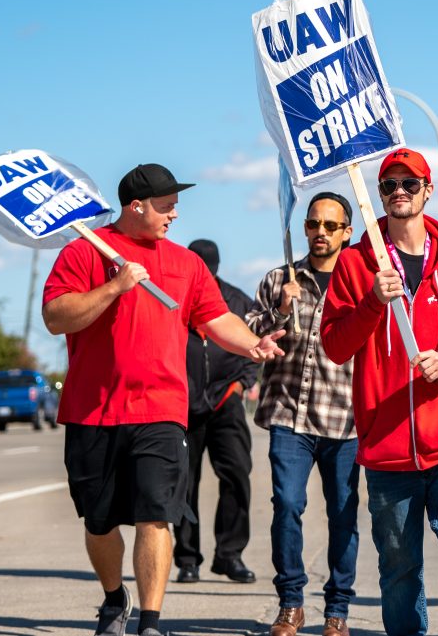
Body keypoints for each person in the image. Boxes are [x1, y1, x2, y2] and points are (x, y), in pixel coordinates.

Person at [42, 163, 285, 636]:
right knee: (99, 520)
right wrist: (115, 286)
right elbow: (56, 316)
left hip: (161, 412)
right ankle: (115, 597)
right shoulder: (84, 252)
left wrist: (251, 343)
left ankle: (150, 623)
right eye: (166, 205)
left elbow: (215, 318)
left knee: (157, 515)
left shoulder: (185, 263)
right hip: (94, 412)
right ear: (137, 206)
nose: (175, 213)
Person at [320, 148, 438, 636]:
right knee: (398, 568)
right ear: (378, 195)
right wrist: (370, 304)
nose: (399, 191)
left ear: (428, 190)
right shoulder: (357, 262)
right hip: (385, 448)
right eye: (389, 185)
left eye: (409, 183)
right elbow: (335, 347)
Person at [246, 192, 358, 636]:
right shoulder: (280, 279)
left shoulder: (361, 283)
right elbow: (248, 334)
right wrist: (281, 309)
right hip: (288, 416)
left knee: (343, 515)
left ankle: (338, 610)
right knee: (287, 505)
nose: (320, 233)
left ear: (347, 232)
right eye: (314, 224)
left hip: (345, 419)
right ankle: (291, 603)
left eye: (331, 226)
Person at [173, 239, 258, 585]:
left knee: (237, 475)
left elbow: (255, 341)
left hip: (226, 401)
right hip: (183, 406)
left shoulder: (237, 300)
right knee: (183, 485)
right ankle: (187, 560)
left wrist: (241, 384)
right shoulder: (173, 298)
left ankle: (230, 555)